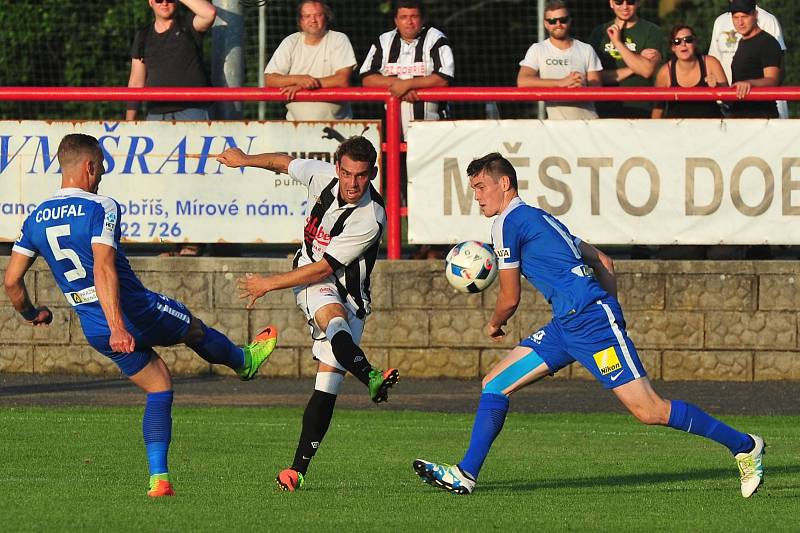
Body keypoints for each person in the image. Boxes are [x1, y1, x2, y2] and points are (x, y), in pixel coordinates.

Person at [411, 153, 765, 499]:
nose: (477, 197)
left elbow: (510, 298)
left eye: (481, 187)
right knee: (496, 383)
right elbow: (604, 260)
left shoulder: (506, 223)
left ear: (504, 183)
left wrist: (494, 324)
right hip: (568, 324)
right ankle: (465, 475)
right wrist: (612, 309)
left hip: (590, 323)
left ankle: (745, 446)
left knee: (650, 410)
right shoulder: (540, 218)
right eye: (473, 190)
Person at [3, 134, 278, 498]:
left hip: (93, 326)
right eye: (99, 168)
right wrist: (120, 326)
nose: (100, 176)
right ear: (89, 167)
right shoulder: (102, 206)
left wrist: (32, 313)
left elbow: (11, 281)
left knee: (159, 387)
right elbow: (103, 268)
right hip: (133, 312)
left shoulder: (36, 217)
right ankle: (243, 361)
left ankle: (159, 480)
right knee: (193, 329)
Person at [216, 136, 399, 492]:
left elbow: (327, 266)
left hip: (351, 293)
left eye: (361, 176)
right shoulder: (323, 177)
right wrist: (245, 159)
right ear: (337, 169)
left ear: (373, 173)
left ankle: (297, 470)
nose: (352, 183)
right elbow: (283, 162)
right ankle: (370, 375)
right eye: (346, 173)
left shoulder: (371, 217)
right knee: (334, 318)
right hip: (313, 280)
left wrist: (268, 284)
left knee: (327, 385)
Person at [360, 0, 455, 137]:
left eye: (414, 16)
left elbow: (444, 78)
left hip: (433, 131)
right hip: (392, 134)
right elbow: (366, 78)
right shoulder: (384, 41)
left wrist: (407, 84)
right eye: (403, 17)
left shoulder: (436, 39)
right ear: (396, 20)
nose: (409, 22)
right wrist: (397, 85)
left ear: (423, 19)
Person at [265, 0, 357, 121]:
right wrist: (300, 79)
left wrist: (305, 85)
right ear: (300, 21)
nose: (313, 20)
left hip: (338, 128)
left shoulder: (339, 39)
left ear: (326, 18)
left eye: (318, 15)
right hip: (296, 128)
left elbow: (342, 80)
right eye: (307, 16)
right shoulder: (291, 41)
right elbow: (270, 79)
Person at [126, 0, 216, 121]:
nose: (164, 3)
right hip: (155, 115)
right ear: (150, 2)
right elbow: (136, 82)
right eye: (159, 0)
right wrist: (128, 122)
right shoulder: (143, 36)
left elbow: (209, 13)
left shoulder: (188, 24)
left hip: (193, 111)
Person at [517, 1, 602, 119]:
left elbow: (596, 86)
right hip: (557, 128)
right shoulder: (537, 49)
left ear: (570, 21)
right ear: (545, 24)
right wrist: (561, 82)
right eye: (552, 21)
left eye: (563, 20)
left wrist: (583, 86)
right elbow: (523, 82)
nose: (558, 24)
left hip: (589, 123)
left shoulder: (586, 49)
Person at [709, 0, 787, 118]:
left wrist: (750, 84)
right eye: (735, 18)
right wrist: (716, 85)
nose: (740, 22)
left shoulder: (767, 42)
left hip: (762, 115)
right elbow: (738, 82)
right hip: (740, 114)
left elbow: (773, 80)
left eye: (744, 17)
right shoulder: (743, 41)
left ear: (755, 15)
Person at [588, 0, 663, 118]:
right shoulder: (599, 32)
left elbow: (647, 71)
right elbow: (594, 77)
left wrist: (617, 43)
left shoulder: (652, 31)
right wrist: (634, 67)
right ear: (611, 3)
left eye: (630, 2)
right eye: (619, 2)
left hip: (641, 108)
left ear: (638, 3)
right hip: (605, 109)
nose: (625, 7)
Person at [652, 25, 728, 119]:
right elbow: (658, 109)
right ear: (673, 47)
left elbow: (729, 101)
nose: (683, 44)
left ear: (695, 42)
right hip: (677, 129)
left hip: (709, 127)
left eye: (688, 40)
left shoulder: (711, 63)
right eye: (677, 41)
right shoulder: (665, 72)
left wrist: (717, 87)